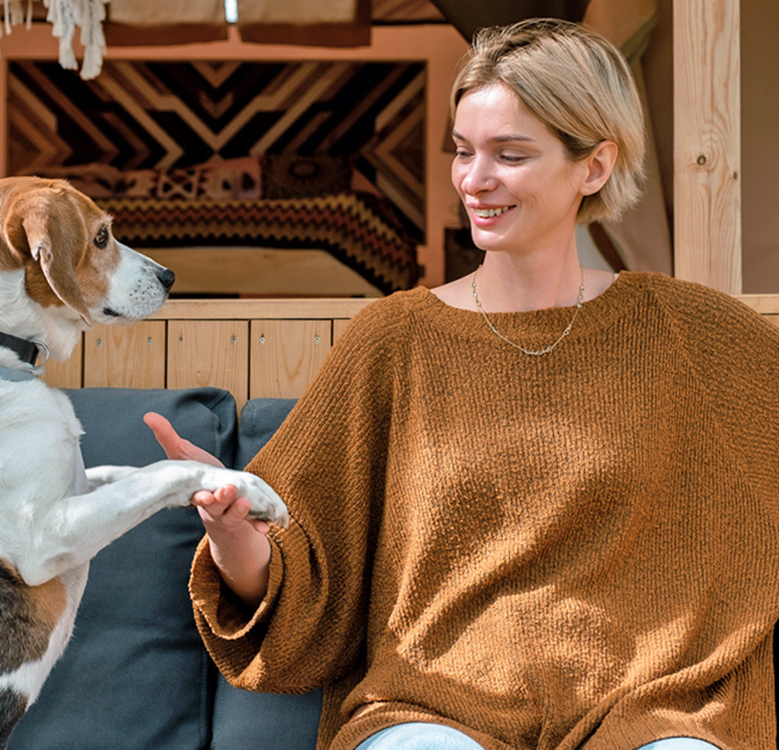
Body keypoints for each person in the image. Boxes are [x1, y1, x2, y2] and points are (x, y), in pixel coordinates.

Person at [145, 18, 779, 750]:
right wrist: (230, 531)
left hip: (649, 708)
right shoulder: (394, 340)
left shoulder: (690, 332)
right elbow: (296, 571)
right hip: (432, 707)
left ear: (594, 166)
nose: (475, 180)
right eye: (463, 151)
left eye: (509, 155)